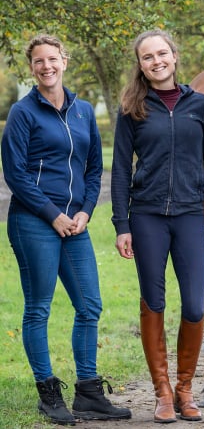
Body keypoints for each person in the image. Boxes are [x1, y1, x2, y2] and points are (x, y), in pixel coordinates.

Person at [1, 34, 132, 425]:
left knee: (89, 304)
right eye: (38, 61)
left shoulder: (84, 111)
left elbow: (94, 168)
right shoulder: (23, 113)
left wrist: (86, 212)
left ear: (65, 61)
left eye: (52, 59)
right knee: (38, 308)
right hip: (34, 222)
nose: (46, 66)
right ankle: (47, 394)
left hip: (76, 224)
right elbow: (16, 175)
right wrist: (52, 214)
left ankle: (89, 393)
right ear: (31, 68)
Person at [111, 29, 204, 423]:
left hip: (192, 216)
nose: (156, 61)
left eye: (162, 53)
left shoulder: (198, 105)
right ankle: (162, 392)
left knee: (195, 305)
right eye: (148, 57)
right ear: (140, 65)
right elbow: (120, 171)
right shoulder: (132, 108)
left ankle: (185, 389)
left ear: (175, 56)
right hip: (146, 217)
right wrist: (121, 224)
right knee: (154, 301)